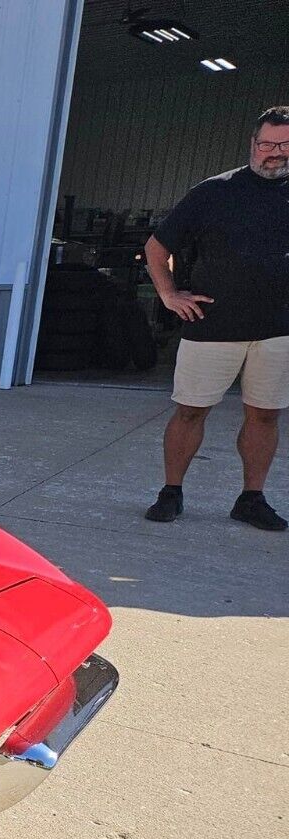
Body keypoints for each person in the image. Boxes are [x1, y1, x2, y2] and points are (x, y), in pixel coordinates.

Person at [142, 105, 289, 531]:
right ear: (252, 145)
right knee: (190, 412)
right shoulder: (214, 192)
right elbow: (156, 248)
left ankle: (251, 498)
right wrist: (169, 294)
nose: (275, 153)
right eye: (267, 144)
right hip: (213, 326)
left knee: (265, 415)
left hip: (279, 332)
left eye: (283, 145)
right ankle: (171, 493)